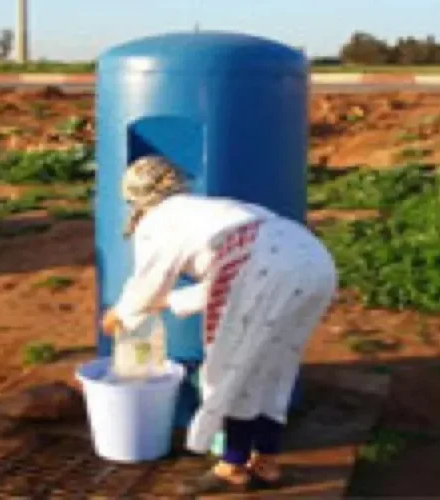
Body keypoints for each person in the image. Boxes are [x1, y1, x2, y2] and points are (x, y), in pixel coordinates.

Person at [100, 156, 338, 495]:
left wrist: (122, 313)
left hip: (263, 269)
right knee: (274, 364)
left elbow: (149, 280)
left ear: (135, 200)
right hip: (314, 261)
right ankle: (266, 461)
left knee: (231, 366)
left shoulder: (158, 220)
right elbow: (223, 280)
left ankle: (233, 465)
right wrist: (169, 303)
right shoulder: (216, 210)